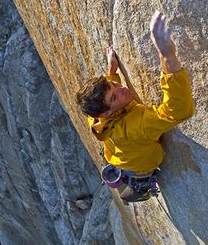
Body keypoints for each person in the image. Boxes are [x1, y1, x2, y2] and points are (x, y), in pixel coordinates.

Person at [75, 12, 195, 202]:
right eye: (115, 96)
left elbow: (108, 91)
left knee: (118, 153)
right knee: (136, 183)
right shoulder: (136, 126)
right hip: (139, 167)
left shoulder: (97, 116)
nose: (122, 89)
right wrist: (167, 57)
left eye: (114, 85)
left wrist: (112, 71)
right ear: (106, 112)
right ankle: (141, 189)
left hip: (119, 154)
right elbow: (177, 110)